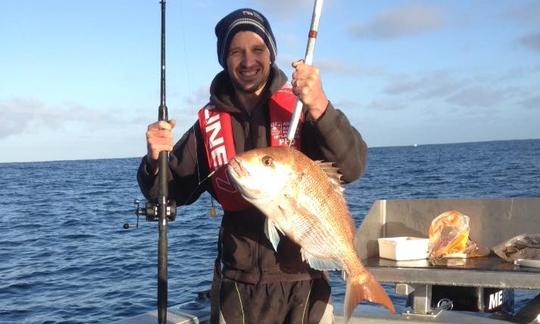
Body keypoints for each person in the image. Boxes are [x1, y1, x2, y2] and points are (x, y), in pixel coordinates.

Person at [138, 8, 368, 324]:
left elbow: (352, 166)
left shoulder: (301, 107)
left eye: (257, 50)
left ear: (271, 54)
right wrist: (155, 161)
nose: (248, 61)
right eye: (236, 52)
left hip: (304, 283)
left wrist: (320, 106)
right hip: (237, 286)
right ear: (224, 59)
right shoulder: (208, 125)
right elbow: (168, 192)